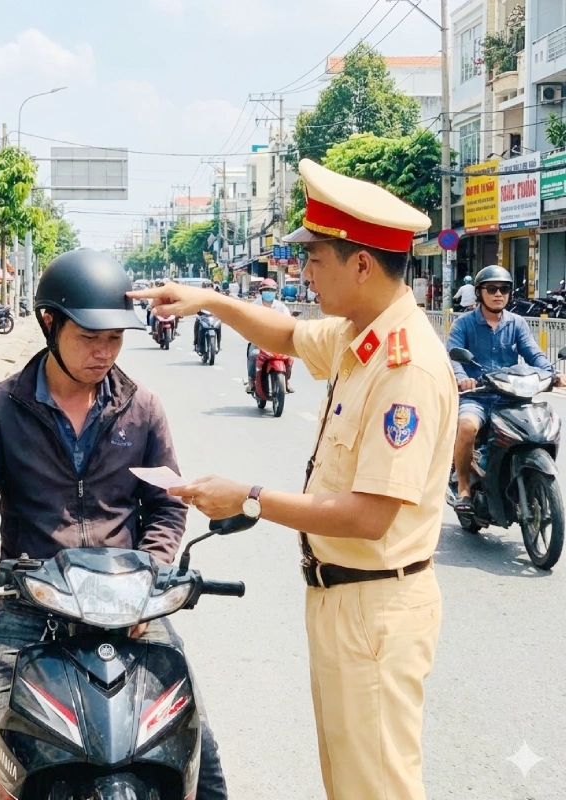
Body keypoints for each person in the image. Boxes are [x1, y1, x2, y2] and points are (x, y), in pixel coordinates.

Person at [130, 158, 458, 800]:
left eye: (316, 258)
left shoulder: (405, 368)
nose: (305, 270)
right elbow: (285, 332)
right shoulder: (361, 333)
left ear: (361, 264)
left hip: (376, 608)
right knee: (350, 785)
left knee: (379, 789)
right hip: (343, 601)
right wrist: (210, 301)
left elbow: (370, 515)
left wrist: (249, 498)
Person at [0, 249, 228, 800]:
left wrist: (153, 578)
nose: (103, 353)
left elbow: (166, 506)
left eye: (114, 339)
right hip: (30, 601)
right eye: (90, 338)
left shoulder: (141, 408)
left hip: (130, 605)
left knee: (198, 749)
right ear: (50, 323)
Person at [447, 264, 565, 513]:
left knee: (538, 427)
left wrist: (554, 375)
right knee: (467, 426)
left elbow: (534, 355)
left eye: (505, 289)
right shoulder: (464, 324)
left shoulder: (517, 324)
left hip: (511, 396)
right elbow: (454, 358)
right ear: (480, 293)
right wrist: (462, 378)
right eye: (492, 289)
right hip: (476, 396)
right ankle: (464, 489)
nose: (499, 294)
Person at [246, 278, 294, 393]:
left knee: (290, 358)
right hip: (258, 341)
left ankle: (286, 380)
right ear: (261, 292)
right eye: (266, 290)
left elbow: (289, 321)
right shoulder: (254, 306)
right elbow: (247, 320)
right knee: (253, 355)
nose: (268, 292)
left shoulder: (281, 307)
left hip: (276, 341)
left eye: (271, 290)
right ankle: (251, 381)